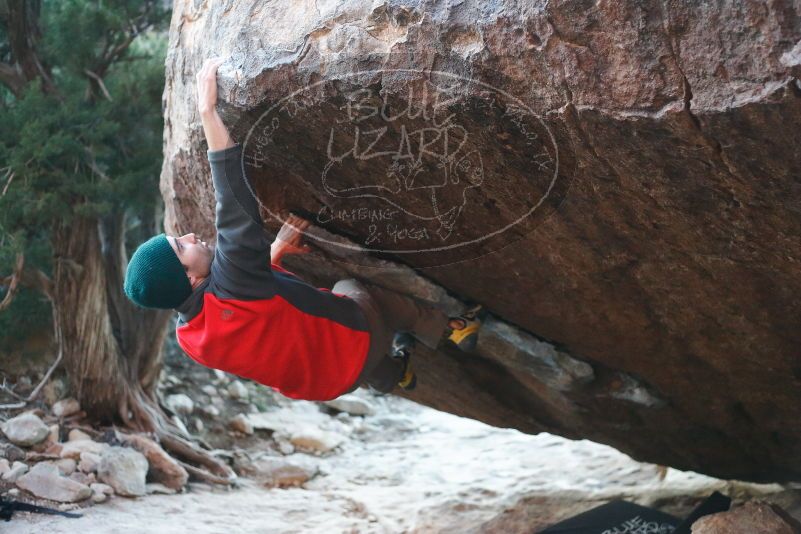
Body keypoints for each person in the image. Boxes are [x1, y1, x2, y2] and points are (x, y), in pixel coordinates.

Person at [122, 58, 485, 401]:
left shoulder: (190, 338)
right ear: (188, 279)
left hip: (327, 386)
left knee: (349, 350)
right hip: (357, 341)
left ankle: (395, 375)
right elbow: (233, 207)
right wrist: (208, 113)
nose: (189, 237)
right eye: (181, 247)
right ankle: (452, 327)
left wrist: (274, 252)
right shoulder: (233, 284)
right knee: (356, 292)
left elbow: (256, 320)